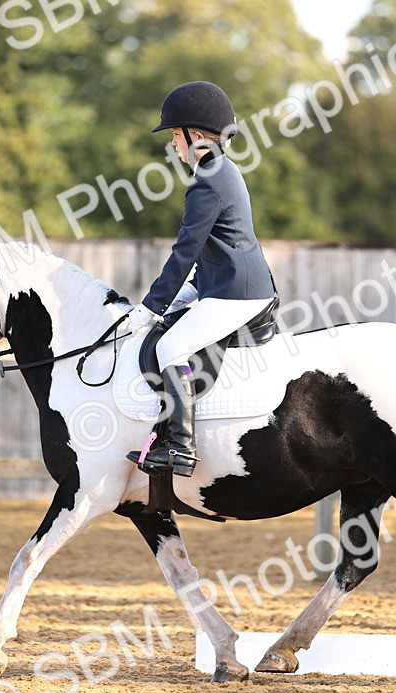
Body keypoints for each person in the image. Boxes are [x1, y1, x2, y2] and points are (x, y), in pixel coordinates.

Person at [125, 81, 277, 478]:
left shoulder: (207, 180)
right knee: (168, 327)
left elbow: (184, 251)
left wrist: (149, 307)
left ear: (196, 135)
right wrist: (180, 295)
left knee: (172, 346)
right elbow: (209, 252)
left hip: (237, 293)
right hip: (220, 281)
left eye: (176, 135)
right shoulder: (217, 171)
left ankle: (181, 447)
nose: (173, 144)